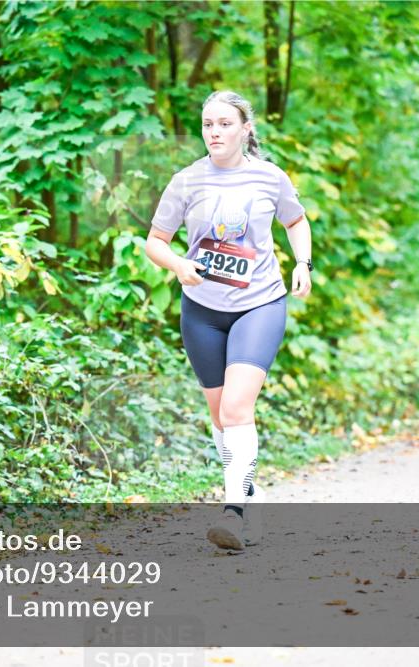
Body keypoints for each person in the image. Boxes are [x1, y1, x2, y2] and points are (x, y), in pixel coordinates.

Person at [144, 90, 313, 550]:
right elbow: (155, 241)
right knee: (220, 416)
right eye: (207, 125)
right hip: (202, 310)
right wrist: (179, 265)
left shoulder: (269, 178)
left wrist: (303, 263)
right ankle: (250, 492)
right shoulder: (186, 181)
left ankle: (233, 512)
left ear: (245, 129)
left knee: (238, 409)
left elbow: (296, 221)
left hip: (259, 303)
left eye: (224, 124)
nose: (214, 132)